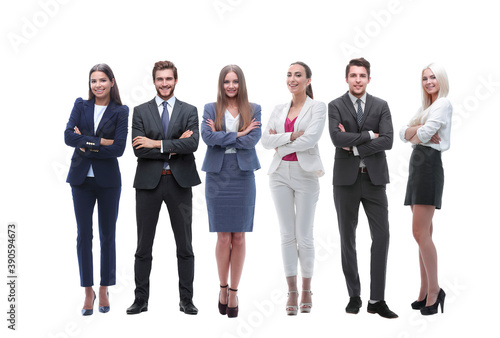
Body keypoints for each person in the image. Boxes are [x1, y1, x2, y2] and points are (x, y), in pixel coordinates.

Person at [126, 60, 201, 315]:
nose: (165, 83)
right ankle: (141, 299)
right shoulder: (140, 111)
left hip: (180, 184)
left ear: (176, 80)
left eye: (169, 79)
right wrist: (172, 145)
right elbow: (138, 148)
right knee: (143, 246)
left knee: (185, 245)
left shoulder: (189, 110)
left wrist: (155, 143)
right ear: (154, 81)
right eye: (160, 79)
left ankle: (186, 300)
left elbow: (192, 146)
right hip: (148, 184)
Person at [328, 58, 398, 319]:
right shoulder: (335, 105)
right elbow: (336, 138)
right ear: (346, 78)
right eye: (353, 75)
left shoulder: (381, 106)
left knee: (382, 237)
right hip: (345, 181)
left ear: (369, 78)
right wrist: (370, 135)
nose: (358, 80)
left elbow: (389, 141)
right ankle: (354, 296)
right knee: (348, 238)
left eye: (362, 75)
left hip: (374, 180)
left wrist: (355, 145)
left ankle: (376, 299)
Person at [261, 62, 325, 315]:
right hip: (278, 175)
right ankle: (292, 291)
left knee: (304, 235)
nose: (292, 78)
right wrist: (290, 136)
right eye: (289, 74)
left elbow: (311, 138)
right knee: (287, 234)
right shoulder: (278, 109)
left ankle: (307, 289)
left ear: (308, 80)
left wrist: (281, 144)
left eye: (298, 75)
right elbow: (265, 140)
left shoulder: (318, 107)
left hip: (306, 174)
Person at [64, 63, 129, 316]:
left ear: (112, 82)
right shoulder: (81, 105)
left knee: (107, 235)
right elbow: (69, 136)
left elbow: (120, 148)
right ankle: (87, 290)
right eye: (93, 81)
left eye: (103, 80)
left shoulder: (121, 111)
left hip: (108, 182)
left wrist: (85, 143)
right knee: (83, 236)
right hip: (81, 180)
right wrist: (101, 141)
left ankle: (104, 288)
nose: (98, 85)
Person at [201, 64, 261, 318]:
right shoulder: (209, 108)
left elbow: (252, 140)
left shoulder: (254, 109)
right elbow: (207, 137)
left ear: (241, 83)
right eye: (227, 81)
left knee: (239, 237)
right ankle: (222, 288)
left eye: (235, 81)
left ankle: (234, 292)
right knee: (223, 238)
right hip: (217, 176)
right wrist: (239, 132)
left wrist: (224, 134)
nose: (231, 86)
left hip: (243, 176)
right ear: (221, 84)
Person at [399, 63, 452, 316]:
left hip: (428, 165)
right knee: (423, 232)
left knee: (419, 232)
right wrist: (415, 132)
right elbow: (401, 132)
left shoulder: (442, 104)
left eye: (433, 77)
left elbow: (427, 132)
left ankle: (435, 290)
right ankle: (424, 289)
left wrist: (415, 132)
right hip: (418, 165)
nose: (429, 82)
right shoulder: (427, 107)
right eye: (424, 78)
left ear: (441, 80)